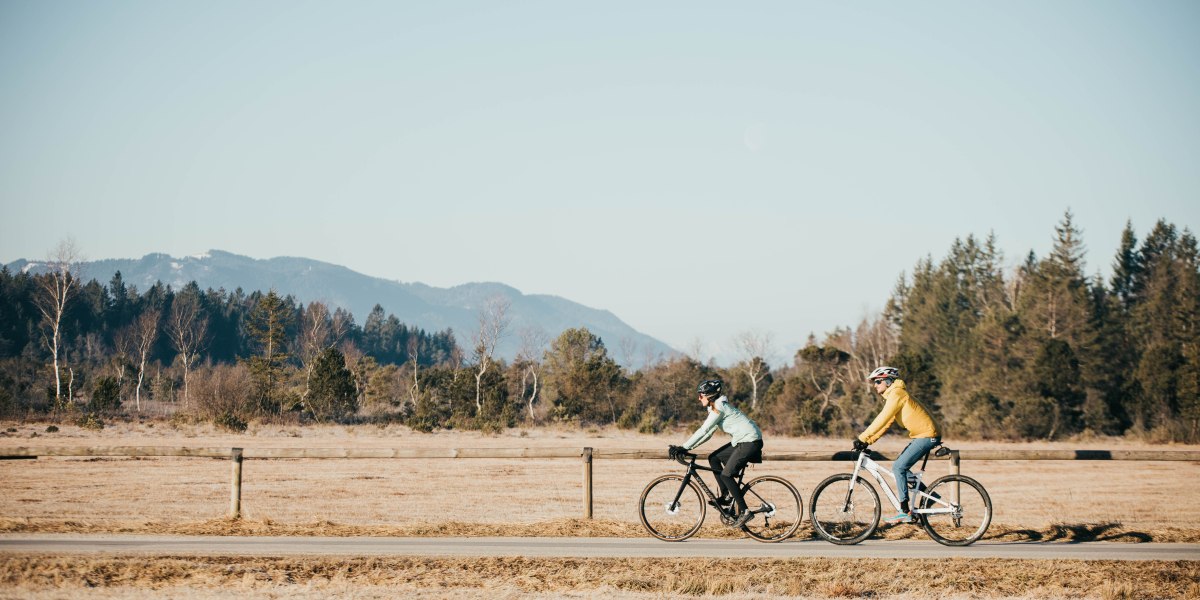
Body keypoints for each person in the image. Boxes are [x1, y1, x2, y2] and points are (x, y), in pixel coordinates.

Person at [668, 379, 763, 528]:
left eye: (701, 395)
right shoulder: (716, 408)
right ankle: (726, 496)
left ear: (709, 395)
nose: (699, 398)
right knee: (713, 458)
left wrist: (684, 447)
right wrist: (686, 448)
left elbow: (704, 430)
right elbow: (708, 434)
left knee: (726, 475)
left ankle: (745, 512)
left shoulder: (719, 407)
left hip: (749, 442)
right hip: (743, 441)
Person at [854, 366, 940, 524]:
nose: (875, 385)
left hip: (927, 436)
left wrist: (862, 437)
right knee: (900, 468)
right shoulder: (894, 395)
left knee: (898, 468)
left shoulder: (897, 394)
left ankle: (905, 510)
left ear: (887, 381)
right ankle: (930, 495)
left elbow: (882, 417)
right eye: (874, 382)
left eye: (878, 381)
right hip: (923, 435)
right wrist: (868, 441)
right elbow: (887, 423)